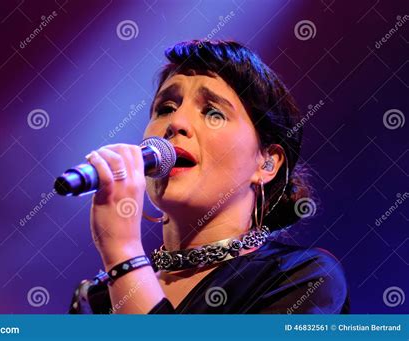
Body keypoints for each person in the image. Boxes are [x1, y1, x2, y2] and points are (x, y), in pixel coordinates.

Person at [68, 40, 350, 314]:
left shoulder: (300, 279)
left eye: (213, 113)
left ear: (266, 163)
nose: (175, 123)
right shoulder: (99, 300)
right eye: (165, 109)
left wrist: (124, 253)